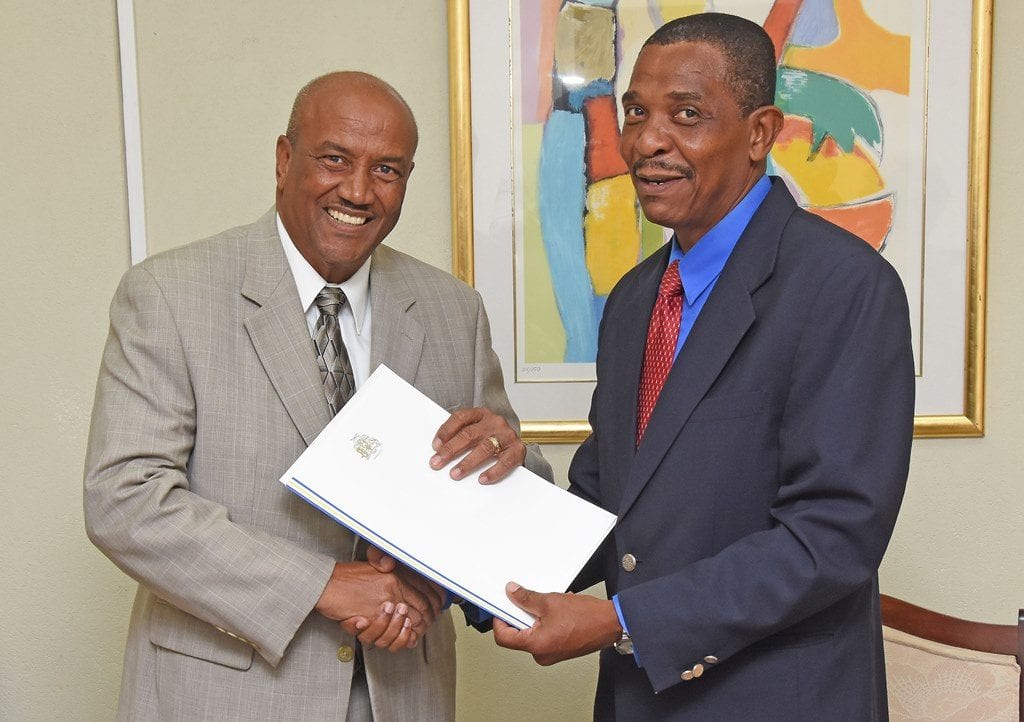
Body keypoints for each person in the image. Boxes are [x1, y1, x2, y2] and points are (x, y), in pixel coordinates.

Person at [84, 71, 550, 721]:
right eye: (335, 159)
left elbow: (506, 486)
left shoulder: (453, 310)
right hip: (225, 697)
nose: (358, 191)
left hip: (403, 694)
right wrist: (325, 586)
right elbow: (125, 501)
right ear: (284, 160)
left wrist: (506, 463)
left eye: (387, 170)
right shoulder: (169, 293)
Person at [491, 13, 914, 720]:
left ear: (760, 132)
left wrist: (622, 623)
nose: (646, 141)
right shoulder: (632, 301)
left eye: (686, 115)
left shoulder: (845, 288)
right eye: (636, 112)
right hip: (641, 702)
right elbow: (606, 500)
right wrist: (458, 533)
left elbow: (831, 538)